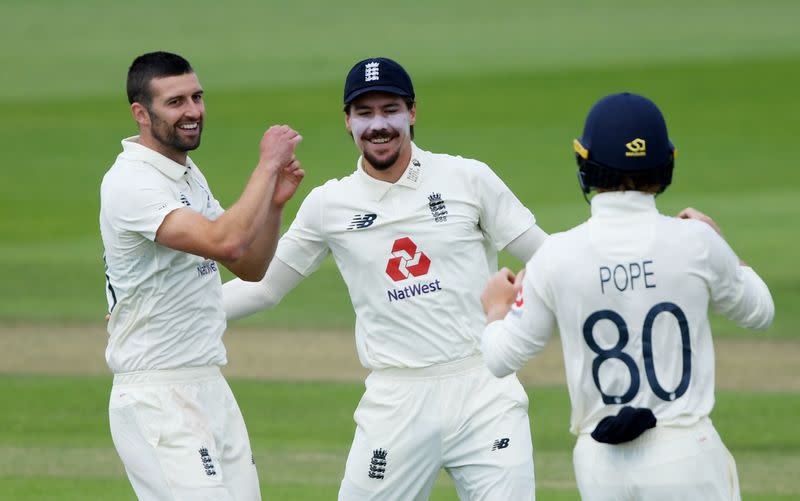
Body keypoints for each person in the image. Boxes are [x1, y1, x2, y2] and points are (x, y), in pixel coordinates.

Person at [222, 57, 548, 500]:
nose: (379, 125)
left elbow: (550, 259)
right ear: (347, 121)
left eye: (390, 110)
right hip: (396, 400)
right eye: (365, 113)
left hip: (483, 389)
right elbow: (265, 286)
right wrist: (174, 315)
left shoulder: (467, 178)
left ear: (412, 113)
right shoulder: (329, 204)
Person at [480, 92, 775, 501]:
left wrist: (497, 308)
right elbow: (760, 312)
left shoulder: (555, 256)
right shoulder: (697, 242)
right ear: (665, 164)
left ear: (586, 165)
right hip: (686, 452)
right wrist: (724, 248)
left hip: (601, 463)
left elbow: (499, 358)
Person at [100, 51, 304, 500]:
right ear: (141, 113)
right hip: (158, 393)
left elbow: (249, 265)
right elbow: (224, 242)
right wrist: (266, 166)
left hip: (208, 381)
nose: (192, 111)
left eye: (197, 97)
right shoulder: (131, 182)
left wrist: (272, 206)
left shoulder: (186, 175)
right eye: (175, 102)